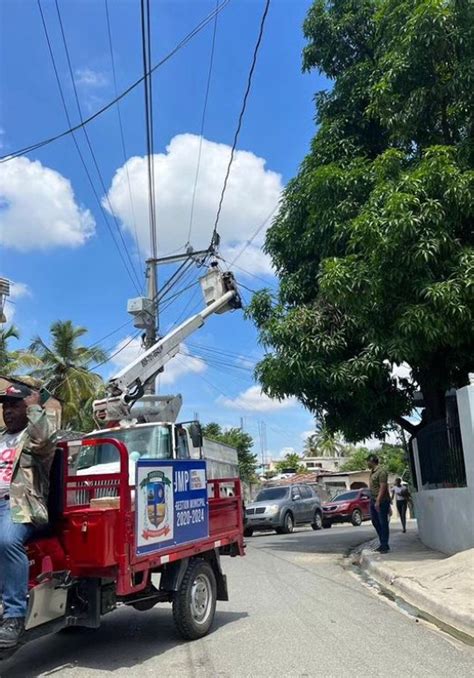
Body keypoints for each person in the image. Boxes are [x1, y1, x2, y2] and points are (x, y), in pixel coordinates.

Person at [0, 383, 55, 650]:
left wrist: (36, 407)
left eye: (14, 405)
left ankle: (13, 616)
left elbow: (44, 439)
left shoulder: (34, 439)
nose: (7, 410)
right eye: (4, 406)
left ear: (27, 407)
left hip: (19, 505)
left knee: (7, 541)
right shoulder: (0, 438)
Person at [367, 454, 391, 553]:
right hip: (372, 500)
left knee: (383, 522)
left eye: (368, 461)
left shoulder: (381, 472)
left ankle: (384, 545)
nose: (367, 463)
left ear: (372, 461)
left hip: (380, 501)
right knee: (375, 522)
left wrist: (378, 501)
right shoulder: (372, 472)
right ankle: (383, 542)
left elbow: (383, 487)